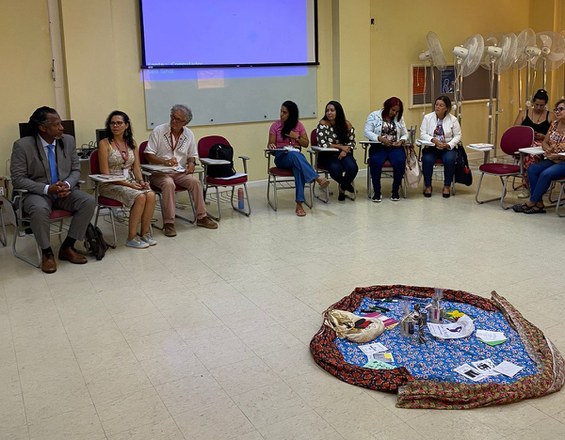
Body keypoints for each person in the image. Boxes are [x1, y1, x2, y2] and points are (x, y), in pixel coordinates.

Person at [10, 106, 96, 274]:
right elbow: (18, 179)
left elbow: (75, 170)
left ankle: (68, 246)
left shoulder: (68, 140)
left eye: (61, 124)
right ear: (43, 127)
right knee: (39, 209)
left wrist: (68, 185)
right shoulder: (22, 146)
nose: (62, 128)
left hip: (64, 190)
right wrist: (48, 188)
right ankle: (47, 252)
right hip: (37, 193)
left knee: (88, 201)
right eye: (57, 125)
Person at [144, 104, 218, 236]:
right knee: (168, 184)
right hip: (159, 172)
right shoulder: (159, 130)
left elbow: (192, 155)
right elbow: (148, 154)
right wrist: (164, 162)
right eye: (172, 117)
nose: (174, 121)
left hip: (178, 171)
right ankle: (169, 223)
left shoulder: (189, 134)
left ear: (185, 122)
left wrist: (191, 163)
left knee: (195, 183)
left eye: (178, 119)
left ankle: (202, 217)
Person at [97, 111, 157, 249]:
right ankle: (131, 237)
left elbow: (136, 168)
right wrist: (130, 185)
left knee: (151, 194)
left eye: (119, 123)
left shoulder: (132, 143)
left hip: (130, 182)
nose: (115, 126)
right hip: (110, 184)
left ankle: (145, 233)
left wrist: (141, 181)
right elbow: (105, 174)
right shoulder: (104, 144)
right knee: (141, 197)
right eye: (112, 123)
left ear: (126, 125)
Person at [267, 100, 329, 216]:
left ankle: (299, 204)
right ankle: (316, 178)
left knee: (298, 166)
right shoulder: (275, 126)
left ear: (291, 114)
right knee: (296, 156)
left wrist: (296, 136)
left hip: (296, 156)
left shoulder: (299, 126)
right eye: (281, 111)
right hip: (281, 157)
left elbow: (306, 143)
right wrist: (271, 146)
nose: (281, 114)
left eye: (284, 112)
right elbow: (270, 145)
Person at [512, 99, 565, 214]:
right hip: (552, 159)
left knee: (546, 174)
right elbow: (545, 142)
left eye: (561, 109)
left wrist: (555, 152)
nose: (558, 112)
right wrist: (547, 149)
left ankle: (531, 202)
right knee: (532, 169)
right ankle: (539, 203)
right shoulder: (555, 124)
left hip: (563, 161)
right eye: (557, 109)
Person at [364, 97, 408, 202]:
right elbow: (367, 132)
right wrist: (379, 138)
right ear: (387, 107)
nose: (394, 113)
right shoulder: (374, 115)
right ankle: (377, 192)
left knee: (400, 161)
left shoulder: (399, 118)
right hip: (378, 146)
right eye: (393, 110)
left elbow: (405, 133)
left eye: (397, 111)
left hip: (394, 146)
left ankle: (395, 190)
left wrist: (401, 141)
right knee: (375, 161)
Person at [513, 88, 555, 197]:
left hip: (543, 144)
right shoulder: (524, 113)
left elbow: (555, 135)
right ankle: (531, 186)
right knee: (526, 155)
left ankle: (531, 187)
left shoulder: (550, 116)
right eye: (537, 105)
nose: (539, 108)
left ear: (545, 104)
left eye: (542, 105)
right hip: (525, 144)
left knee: (530, 158)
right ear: (533, 103)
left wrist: (544, 136)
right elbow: (514, 130)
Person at [419, 95, 462, 198]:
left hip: (446, 147)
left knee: (449, 159)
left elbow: (458, 136)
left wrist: (448, 144)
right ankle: (428, 185)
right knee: (427, 160)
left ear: (446, 108)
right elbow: (422, 134)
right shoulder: (428, 118)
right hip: (432, 147)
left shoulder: (453, 119)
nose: (437, 107)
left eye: (441, 105)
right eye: (436, 105)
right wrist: (433, 140)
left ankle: (447, 186)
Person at [316, 100, 358, 201]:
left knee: (352, 168)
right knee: (336, 169)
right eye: (327, 111)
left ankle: (343, 187)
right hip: (328, 155)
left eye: (332, 110)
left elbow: (352, 142)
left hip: (344, 153)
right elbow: (323, 143)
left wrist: (345, 150)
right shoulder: (322, 124)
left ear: (338, 111)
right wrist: (340, 147)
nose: (329, 113)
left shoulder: (346, 124)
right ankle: (346, 185)